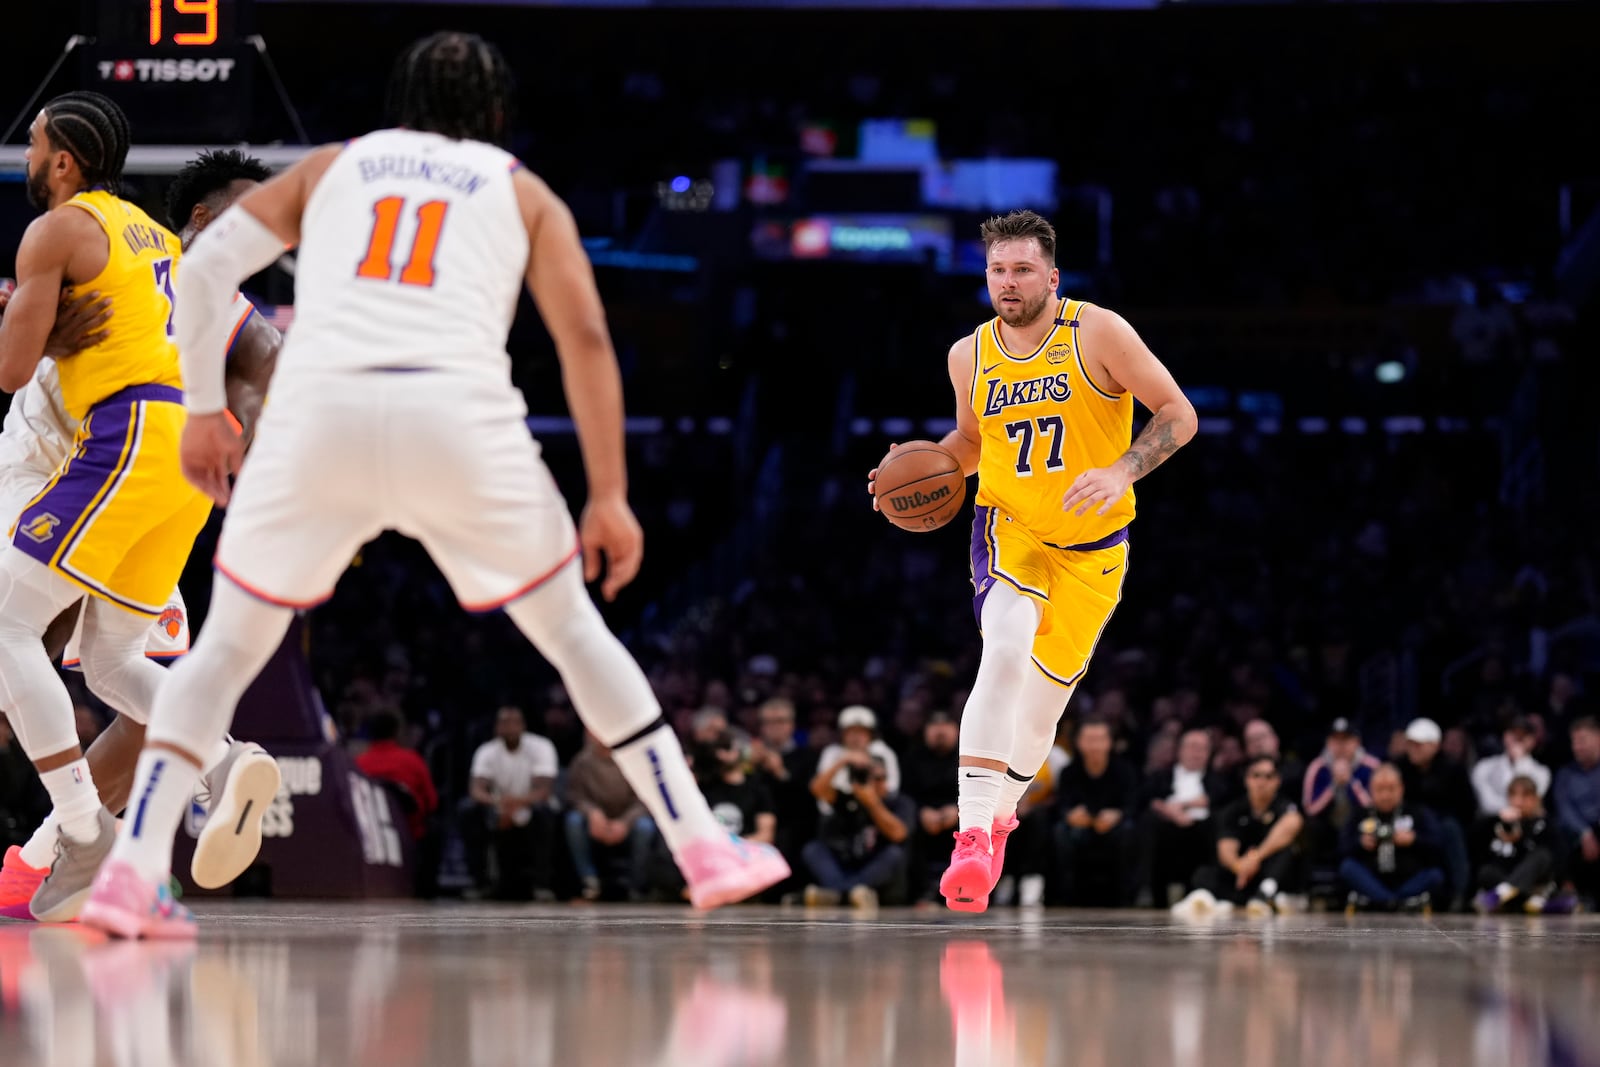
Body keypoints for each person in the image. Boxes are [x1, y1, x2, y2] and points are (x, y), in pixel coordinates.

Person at [79, 32, 787, 938]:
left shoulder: (335, 165)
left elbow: (210, 264)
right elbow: (585, 341)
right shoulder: (519, 187)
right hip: (457, 421)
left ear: (399, 103)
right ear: (494, 114)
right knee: (573, 632)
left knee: (221, 654)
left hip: (317, 417)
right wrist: (607, 494)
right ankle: (702, 846)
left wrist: (210, 413)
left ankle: (131, 875)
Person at [0, 96, 287, 924]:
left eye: (34, 143)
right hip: (186, 457)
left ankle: (82, 836)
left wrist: (37, 322)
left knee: (11, 629)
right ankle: (223, 762)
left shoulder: (55, 232)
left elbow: (13, 368)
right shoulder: (163, 244)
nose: (25, 154)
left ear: (62, 162)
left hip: (118, 441)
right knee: (117, 663)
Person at [868, 209, 1196, 912]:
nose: (1008, 282)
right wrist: (913, 463)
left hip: (1094, 550)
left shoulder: (1097, 331)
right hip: (1009, 527)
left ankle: (1000, 818)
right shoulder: (970, 354)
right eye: (997, 270)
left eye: (1021, 269)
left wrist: (1123, 469)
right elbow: (971, 442)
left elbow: (1177, 413)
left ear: (1052, 275)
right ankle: (972, 834)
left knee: (1042, 714)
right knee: (1005, 646)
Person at [1173, 755, 1303, 918]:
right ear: (1247, 779)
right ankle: (1207, 897)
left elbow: (1291, 826)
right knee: (1205, 873)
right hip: (1241, 875)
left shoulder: (1285, 806)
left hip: (1268, 872)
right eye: (1256, 775)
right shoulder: (1234, 810)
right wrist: (1240, 867)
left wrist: (1256, 857)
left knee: (1287, 853)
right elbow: (1225, 849)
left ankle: (1265, 894)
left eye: (1268, 776)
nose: (1261, 782)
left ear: (1277, 781)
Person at [465, 706, 558, 900]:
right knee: (468, 810)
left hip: (531, 805)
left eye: (514, 722)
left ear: (523, 725)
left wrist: (516, 804)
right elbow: (476, 789)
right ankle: (480, 883)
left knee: (544, 811)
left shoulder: (541, 746)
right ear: (496, 727)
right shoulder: (487, 751)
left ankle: (541, 884)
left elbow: (544, 790)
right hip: (498, 806)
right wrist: (498, 804)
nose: (509, 727)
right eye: (504, 723)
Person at [802, 755, 913, 909]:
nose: (875, 783)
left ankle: (836, 894)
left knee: (894, 854)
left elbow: (898, 834)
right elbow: (817, 789)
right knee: (813, 849)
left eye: (879, 778)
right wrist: (842, 761)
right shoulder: (847, 799)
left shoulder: (899, 802)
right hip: (844, 865)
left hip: (872, 870)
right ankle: (848, 893)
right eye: (868, 778)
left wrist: (873, 804)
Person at [1392, 716, 1476, 909]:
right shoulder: (1400, 767)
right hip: (1410, 824)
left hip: (1443, 826)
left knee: (1451, 830)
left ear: (1435, 746)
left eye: (1419, 745)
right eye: (1411, 744)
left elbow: (1467, 808)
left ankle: (1459, 893)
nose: (1414, 749)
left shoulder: (1453, 769)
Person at [1338, 764, 1445, 913]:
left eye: (1391, 789)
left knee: (1435, 874)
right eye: (1380, 789)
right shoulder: (1360, 814)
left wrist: (1414, 839)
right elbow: (1341, 848)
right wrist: (1360, 842)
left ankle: (1388, 901)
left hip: (1408, 880)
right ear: (1371, 789)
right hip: (1372, 880)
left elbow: (1437, 845)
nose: (1385, 795)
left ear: (1401, 788)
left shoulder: (1417, 812)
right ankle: (1392, 901)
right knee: (1347, 868)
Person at [1474, 775, 1574, 915]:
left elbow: (1557, 858)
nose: (1518, 802)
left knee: (1541, 855)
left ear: (1535, 799)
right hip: (1508, 877)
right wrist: (1499, 821)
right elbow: (1485, 851)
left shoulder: (1544, 824)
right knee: (1486, 871)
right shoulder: (1499, 823)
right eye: (1513, 795)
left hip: (1535, 882)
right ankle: (1534, 903)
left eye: (1525, 796)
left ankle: (1502, 895)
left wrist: (1521, 839)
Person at [1553, 716, 1600, 905]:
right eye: (1574, 742)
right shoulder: (1565, 774)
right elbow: (1564, 808)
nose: (1577, 747)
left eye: (1582, 740)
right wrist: (1585, 833)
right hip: (1576, 833)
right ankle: (1571, 893)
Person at [1470, 715, 1551, 818]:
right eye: (1513, 734)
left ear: (1532, 741)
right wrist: (1504, 810)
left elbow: (1528, 803)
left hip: (1526, 823)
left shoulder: (1542, 773)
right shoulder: (1483, 767)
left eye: (1522, 736)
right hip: (1490, 823)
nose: (1517, 739)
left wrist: (1519, 762)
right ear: (1505, 736)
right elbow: (1485, 803)